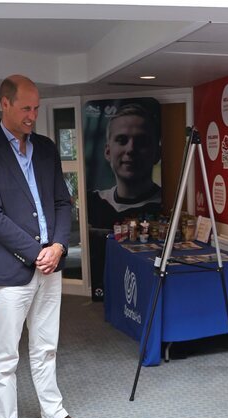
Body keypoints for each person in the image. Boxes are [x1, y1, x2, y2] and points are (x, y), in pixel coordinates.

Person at [0, 74, 98, 418]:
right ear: (4, 104)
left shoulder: (44, 148)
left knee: (46, 346)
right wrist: (36, 251)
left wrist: (58, 246)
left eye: (37, 108)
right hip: (13, 271)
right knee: (5, 355)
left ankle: (53, 414)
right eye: (26, 108)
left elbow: (62, 202)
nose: (33, 115)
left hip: (50, 265)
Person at [86, 103, 162, 300]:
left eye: (142, 141)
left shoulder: (163, 208)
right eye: (122, 140)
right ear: (108, 152)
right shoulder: (93, 202)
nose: (131, 149)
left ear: (157, 153)